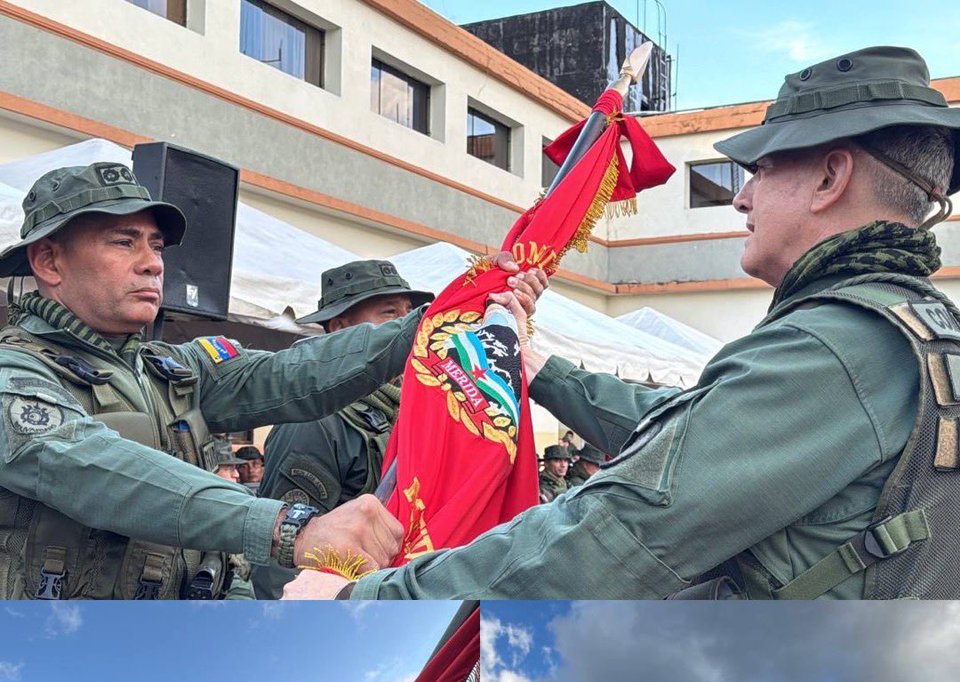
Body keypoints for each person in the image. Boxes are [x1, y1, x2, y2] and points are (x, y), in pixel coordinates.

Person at [288, 47, 960, 602]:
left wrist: (363, 601)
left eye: (760, 169)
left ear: (829, 179)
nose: (740, 196)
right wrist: (540, 370)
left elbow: (617, 536)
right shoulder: (918, 334)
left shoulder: (831, 348)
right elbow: (694, 426)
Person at [0, 165, 542, 599]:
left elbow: (299, 371)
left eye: (157, 246)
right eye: (124, 243)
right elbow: (98, 472)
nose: (151, 265)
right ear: (49, 260)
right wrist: (293, 528)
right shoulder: (15, 372)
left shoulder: (172, 369)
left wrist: (445, 316)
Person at [253, 260, 434, 598]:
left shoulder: (407, 406)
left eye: (410, 313)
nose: (409, 325)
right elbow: (280, 561)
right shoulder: (316, 423)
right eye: (390, 314)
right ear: (340, 329)